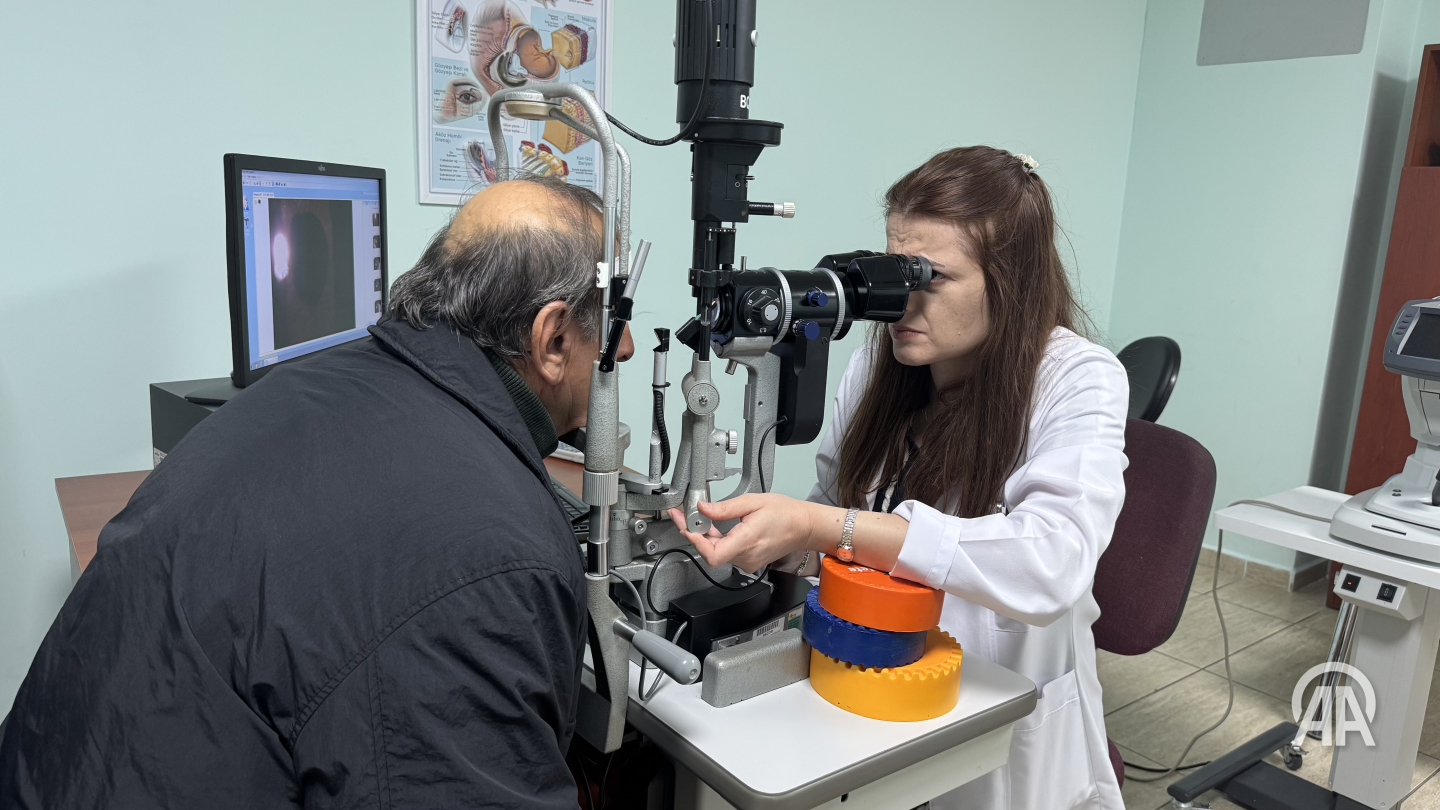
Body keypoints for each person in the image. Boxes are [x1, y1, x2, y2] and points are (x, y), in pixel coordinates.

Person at [0, 176, 633, 809]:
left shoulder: (305, 388)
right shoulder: (493, 557)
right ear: (552, 340)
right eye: (615, 324)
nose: (626, 347)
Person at [670, 146, 1129, 810]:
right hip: (871, 687)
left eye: (931, 278)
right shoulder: (875, 372)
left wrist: (828, 527)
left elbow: (1051, 563)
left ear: (1009, 283)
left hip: (994, 730)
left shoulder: (1078, 378)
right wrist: (775, 543)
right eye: (894, 270)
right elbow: (833, 524)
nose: (901, 302)